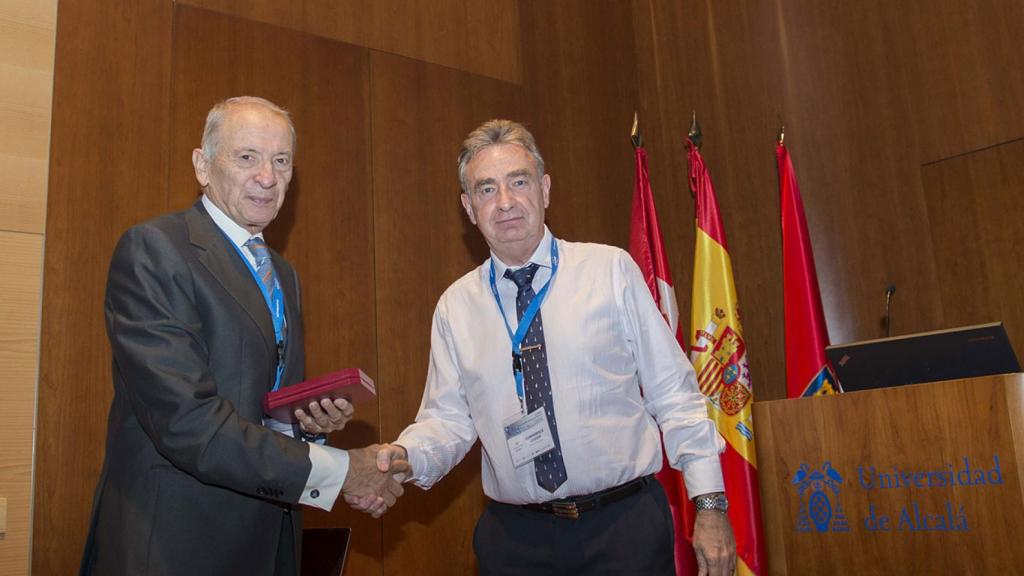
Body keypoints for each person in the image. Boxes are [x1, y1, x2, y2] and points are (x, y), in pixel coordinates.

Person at [360, 119, 737, 575]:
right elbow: (447, 421)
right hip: (516, 541)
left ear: (545, 188)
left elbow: (674, 395)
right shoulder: (456, 307)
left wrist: (711, 505)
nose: (504, 202)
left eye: (518, 182)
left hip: (624, 530)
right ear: (468, 207)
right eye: (486, 189)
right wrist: (404, 456)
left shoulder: (610, 271)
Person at [80, 96, 407, 576]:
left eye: (281, 161)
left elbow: (254, 407)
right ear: (203, 165)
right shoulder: (155, 251)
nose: (267, 177)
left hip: (266, 539)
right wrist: (339, 472)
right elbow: (190, 423)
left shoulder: (282, 273)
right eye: (247, 156)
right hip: (176, 543)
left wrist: (302, 422)